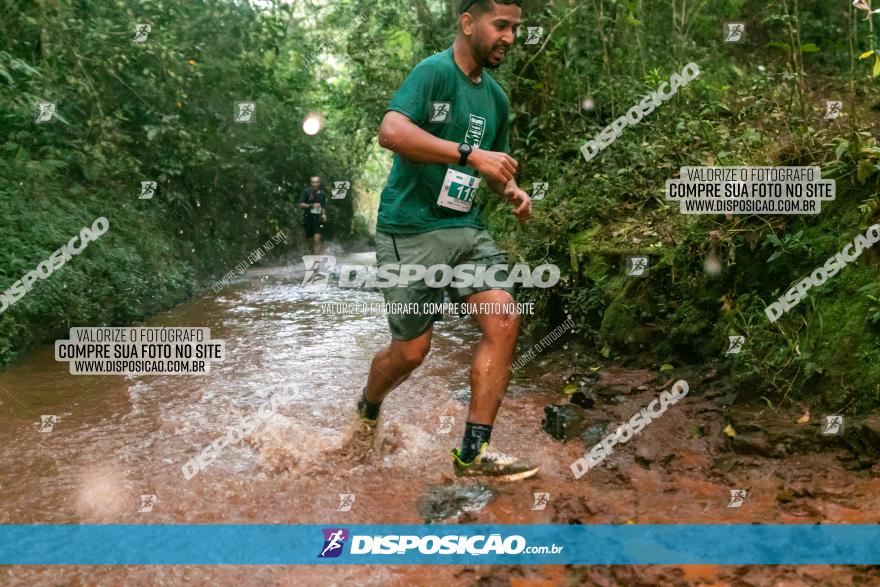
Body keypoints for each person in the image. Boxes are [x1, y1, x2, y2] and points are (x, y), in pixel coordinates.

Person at [356, 0, 539, 481]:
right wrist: (467, 153)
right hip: (411, 229)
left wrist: (513, 190)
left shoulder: (496, 99)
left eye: (515, 29)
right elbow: (391, 132)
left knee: (504, 319)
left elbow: (494, 167)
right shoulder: (433, 73)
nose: (510, 38)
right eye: (501, 26)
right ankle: (369, 405)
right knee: (412, 353)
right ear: (468, 23)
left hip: (466, 230)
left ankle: (472, 453)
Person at [298, 176, 328, 255]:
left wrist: (324, 214)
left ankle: (317, 261)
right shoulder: (306, 192)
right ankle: (314, 256)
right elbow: (300, 205)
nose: (315, 184)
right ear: (311, 183)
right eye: (313, 182)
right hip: (308, 219)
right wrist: (311, 205)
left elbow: (323, 206)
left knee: (316, 239)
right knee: (310, 241)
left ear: (319, 183)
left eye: (317, 182)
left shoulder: (322, 194)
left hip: (318, 219)